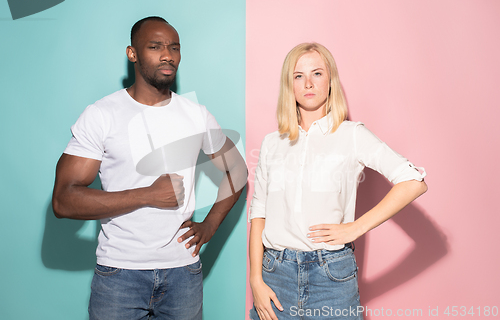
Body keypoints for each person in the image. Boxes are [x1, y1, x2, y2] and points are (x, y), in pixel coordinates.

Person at [52, 16, 247, 320]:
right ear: (133, 53)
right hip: (120, 275)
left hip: (183, 274)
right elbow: (63, 200)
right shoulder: (102, 115)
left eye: (174, 47)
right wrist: (146, 195)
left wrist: (208, 227)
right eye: (155, 47)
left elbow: (237, 171)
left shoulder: (196, 115)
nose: (167, 55)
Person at [248, 43, 427, 320]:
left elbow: (413, 180)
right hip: (275, 275)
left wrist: (356, 228)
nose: (308, 83)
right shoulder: (272, 143)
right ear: (289, 85)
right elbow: (259, 211)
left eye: (317, 73)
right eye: (298, 76)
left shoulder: (352, 135)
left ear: (330, 81)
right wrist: (256, 281)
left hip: (331, 276)